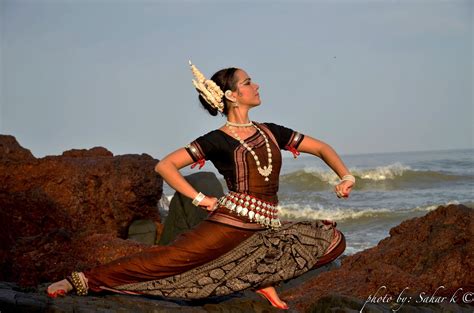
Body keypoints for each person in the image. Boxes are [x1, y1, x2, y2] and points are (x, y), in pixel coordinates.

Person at [47, 62, 354, 309]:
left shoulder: (272, 131)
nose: (256, 85)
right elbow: (165, 166)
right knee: (166, 260)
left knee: (331, 240)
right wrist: (200, 199)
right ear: (232, 95)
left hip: (264, 226)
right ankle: (82, 280)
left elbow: (322, 148)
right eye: (248, 82)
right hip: (230, 222)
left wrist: (345, 176)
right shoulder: (216, 140)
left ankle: (259, 281)